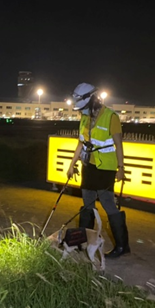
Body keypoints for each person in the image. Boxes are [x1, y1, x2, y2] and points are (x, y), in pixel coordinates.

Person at [66, 83, 130, 258]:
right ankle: (83, 241)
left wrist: (121, 168)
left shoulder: (111, 117)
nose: (82, 111)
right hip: (89, 167)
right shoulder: (85, 118)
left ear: (92, 100)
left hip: (106, 169)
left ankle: (122, 246)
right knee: (87, 204)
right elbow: (81, 142)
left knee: (108, 204)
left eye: (84, 107)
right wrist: (72, 164)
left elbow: (118, 145)